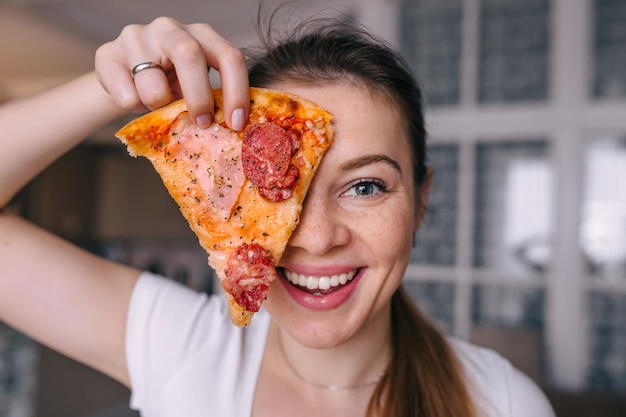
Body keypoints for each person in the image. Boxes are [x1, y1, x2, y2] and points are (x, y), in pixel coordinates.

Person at [0, 11, 555, 417]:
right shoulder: (181, 347)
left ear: (421, 201)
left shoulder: (503, 404)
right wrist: (110, 88)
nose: (314, 238)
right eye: (276, 190)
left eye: (364, 186)